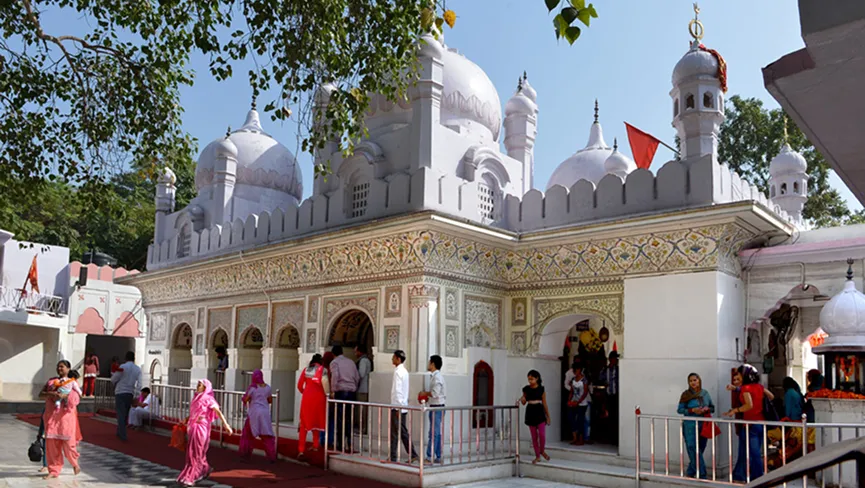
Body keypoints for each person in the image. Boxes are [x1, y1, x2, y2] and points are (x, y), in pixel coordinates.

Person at [177, 380, 233, 487]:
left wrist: (226, 425)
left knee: (196, 452)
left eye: (200, 385)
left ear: (205, 387)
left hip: (201, 428)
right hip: (193, 427)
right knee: (192, 452)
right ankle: (204, 468)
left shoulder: (208, 399)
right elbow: (194, 412)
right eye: (197, 384)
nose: (197, 386)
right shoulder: (196, 398)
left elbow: (218, 412)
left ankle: (192, 476)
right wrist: (186, 420)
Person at [39, 361, 82, 479]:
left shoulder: (72, 382)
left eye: (62, 367)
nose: (59, 369)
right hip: (52, 417)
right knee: (52, 445)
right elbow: (40, 394)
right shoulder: (51, 381)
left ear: (68, 369)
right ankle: (53, 470)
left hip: (66, 419)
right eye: (58, 367)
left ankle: (74, 464)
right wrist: (51, 394)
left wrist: (65, 396)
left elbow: (77, 399)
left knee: (69, 444)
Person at [724, 364, 765, 482]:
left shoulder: (746, 388)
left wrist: (735, 410)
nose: (738, 377)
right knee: (752, 451)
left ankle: (758, 477)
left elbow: (749, 405)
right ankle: (744, 474)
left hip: (749, 423)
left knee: (752, 452)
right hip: (760, 422)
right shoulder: (759, 387)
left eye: (739, 375)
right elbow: (771, 396)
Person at [677, 373, 715, 479]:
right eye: (691, 381)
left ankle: (690, 471)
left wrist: (706, 409)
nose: (693, 382)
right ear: (688, 383)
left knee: (701, 449)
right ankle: (702, 474)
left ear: (699, 380)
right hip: (690, 425)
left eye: (695, 380)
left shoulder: (705, 393)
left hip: (703, 424)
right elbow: (680, 410)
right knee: (692, 448)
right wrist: (692, 410)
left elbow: (712, 408)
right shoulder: (686, 395)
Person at [297, 354, 330, 460]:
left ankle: (301, 450)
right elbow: (325, 383)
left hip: (307, 399)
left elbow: (299, 385)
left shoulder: (306, 370)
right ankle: (315, 445)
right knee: (317, 422)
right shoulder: (323, 370)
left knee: (304, 424)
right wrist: (328, 394)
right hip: (320, 399)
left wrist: (305, 392)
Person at [239, 369, 276, 463]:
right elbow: (270, 400)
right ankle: (271, 456)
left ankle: (245, 454)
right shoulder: (267, 387)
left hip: (254, 413)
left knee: (248, 434)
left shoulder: (253, 388)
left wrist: (248, 399)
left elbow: (246, 399)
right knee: (267, 435)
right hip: (265, 413)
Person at [387, 350, 418, 463]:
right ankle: (412, 454)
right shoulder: (404, 371)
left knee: (395, 433)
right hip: (402, 406)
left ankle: (393, 457)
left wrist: (397, 406)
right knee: (402, 432)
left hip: (398, 407)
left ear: (398, 359)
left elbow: (398, 391)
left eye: (393, 357)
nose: (392, 359)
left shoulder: (398, 372)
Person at [329, 345, 360, 452]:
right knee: (349, 419)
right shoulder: (351, 362)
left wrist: (333, 390)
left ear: (333, 354)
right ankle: (350, 444)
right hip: (352, 393)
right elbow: (357, 377)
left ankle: (340, 444)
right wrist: (354, 387)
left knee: (340, 420)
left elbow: (335, 376)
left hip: (341, 393)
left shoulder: (334, 362)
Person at [519, 370, 551, 465]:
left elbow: (544, 403)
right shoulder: (526, 389)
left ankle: (542, 450)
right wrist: (522, 399)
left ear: (537, 378)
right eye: (529, 379)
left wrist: (548, 416)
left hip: (539, 411)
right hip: (530, 411)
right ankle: (538, 456)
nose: (530, 381)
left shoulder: (541, 389)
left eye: (532, 379)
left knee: (542, 435)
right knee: (534, 436)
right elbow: (524, 402)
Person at [419, 355, 446, 464]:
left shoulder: (437, 377)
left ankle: (429, 457)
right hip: (436, 407)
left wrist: (424, 393)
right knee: (437, 433)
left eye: (429, 362)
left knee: (433, 433)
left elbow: (435, 393)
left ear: (433, 364)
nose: (428, 364)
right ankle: (438, 456)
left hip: (437, 408)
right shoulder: (435, 376)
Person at [110, 351, 142, 441]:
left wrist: (113, 379)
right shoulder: (137, 369)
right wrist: (137, 395)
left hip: (120, 391)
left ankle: (122, 433)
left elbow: (114, 378)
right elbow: (139, 383)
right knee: (125, 413)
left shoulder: (123, 367)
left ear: (126, 358)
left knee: (120, 413)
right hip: (130, 392)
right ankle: (120, 431)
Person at [568, 362, 591, 446]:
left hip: (582, 403)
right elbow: (571, 391)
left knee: (580, 420)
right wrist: (569, 400)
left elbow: (585, 392)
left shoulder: (584, 380)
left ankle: (581, 439)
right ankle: (574, 437)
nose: (575, 371)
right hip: (574, 402)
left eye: (577, 369)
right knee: (571, 418)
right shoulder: (573, 379)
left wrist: (579, 401)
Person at [598, 351, 619, 443]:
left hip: (616, 395)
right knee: (608, 416)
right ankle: (609, 436)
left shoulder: (618, 369)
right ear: (610, 359)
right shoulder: (605, 369)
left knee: (616, 415)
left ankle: (615, 437)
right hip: (608, 395)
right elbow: (600, 378)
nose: (616, 360)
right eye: (614, 358)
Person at [355, 345, 372, 435]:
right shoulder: (366, 360)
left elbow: (360, 374)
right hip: (364, 388)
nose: (355, 353)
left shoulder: (363, 361)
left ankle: (363, 428)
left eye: (356, 351)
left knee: (362, 410)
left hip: (362, 388)